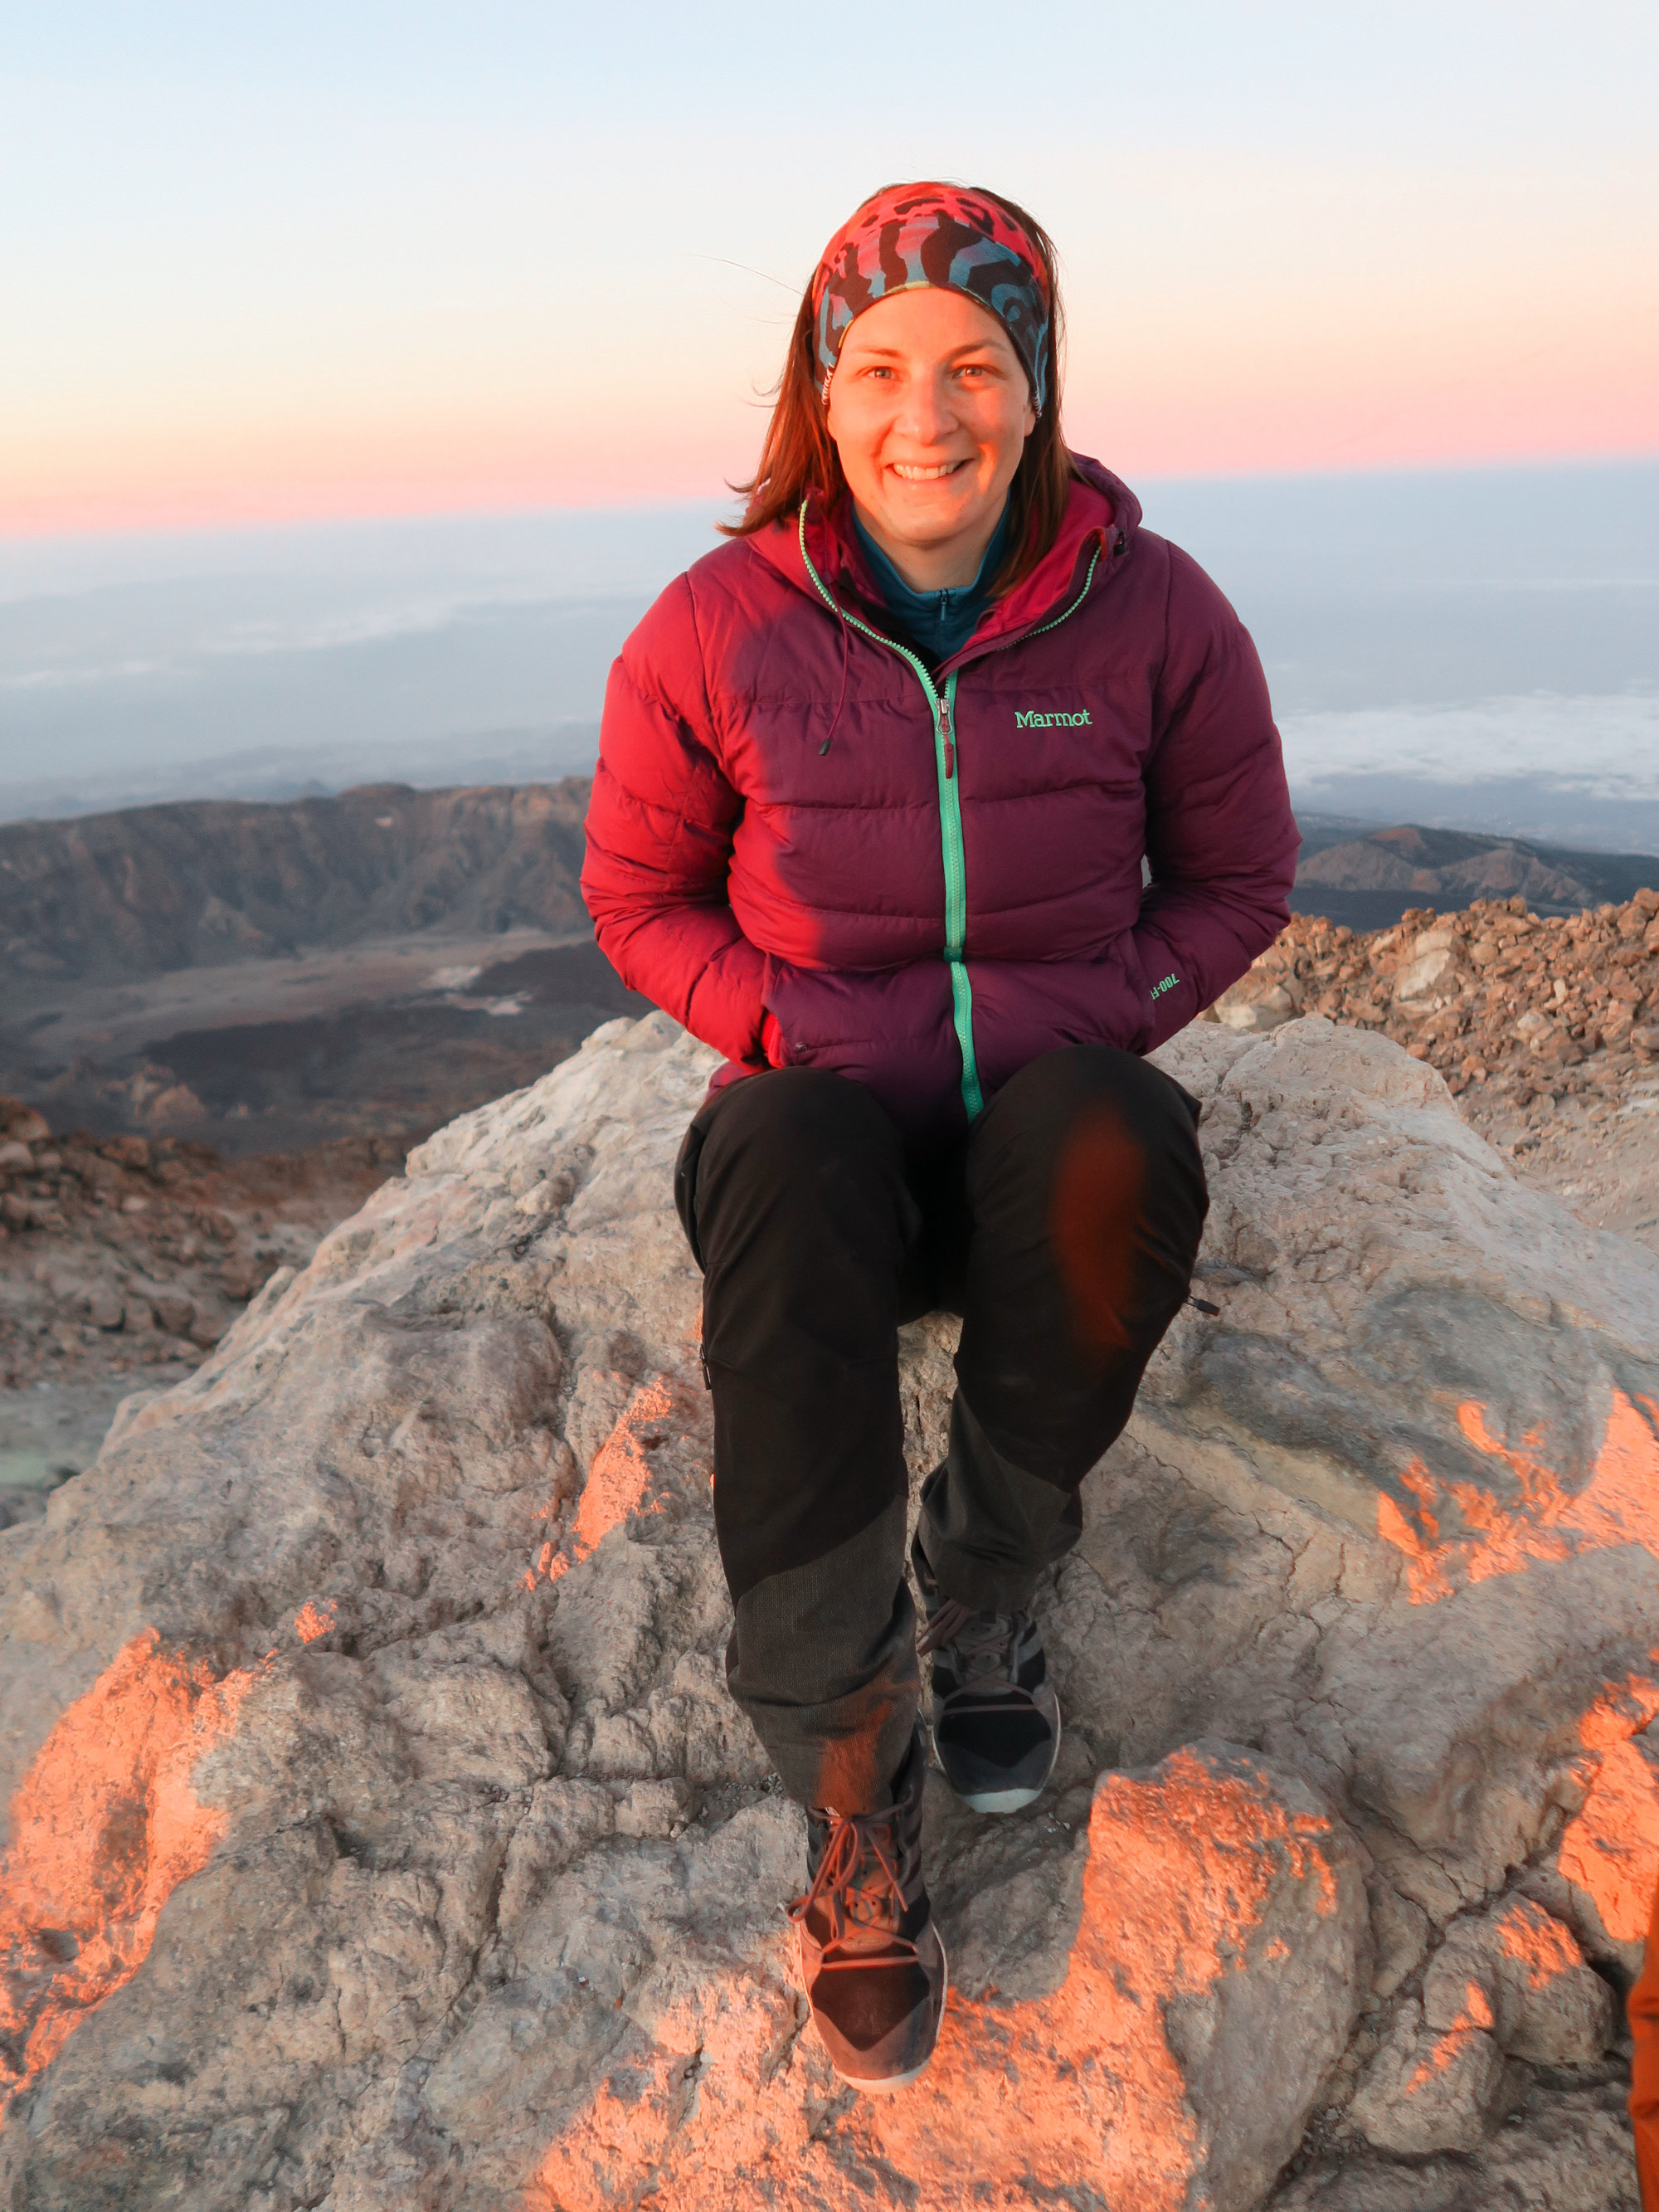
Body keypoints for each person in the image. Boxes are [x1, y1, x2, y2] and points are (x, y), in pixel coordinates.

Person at [582, 180, 1298, 2092]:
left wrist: (1092, 1020)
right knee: (787, 1154)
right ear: (820, 391)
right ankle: (845, 1778)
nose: (930, 412)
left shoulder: (1151, 607)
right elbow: (638, 898)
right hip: (826, 1144)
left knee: (1113, 1135)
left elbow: (1239, 879)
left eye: (977, 363)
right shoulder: (716, 622)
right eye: (881, 365)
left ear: (1037, 384)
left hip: (1025, 1153)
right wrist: (786, 1025)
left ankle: (984, 1590)